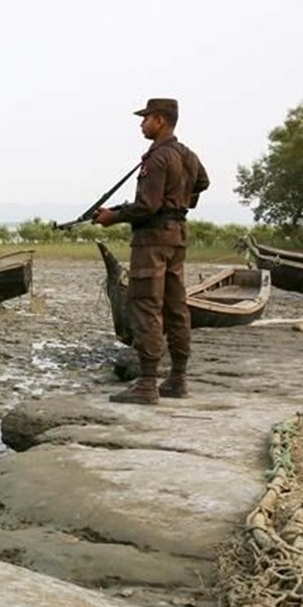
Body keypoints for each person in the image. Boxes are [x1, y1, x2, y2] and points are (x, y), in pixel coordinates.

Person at [94, 98, 209, 404]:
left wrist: (113, 217)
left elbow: (147, 206)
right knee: (176, 307)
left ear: (160, 120)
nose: (141, 124)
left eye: (145, 118)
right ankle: (178, 380)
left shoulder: (157, 158)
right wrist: (180, 200)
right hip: (177, 237)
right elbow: (203, 182)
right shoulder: (188, 155)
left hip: (152, 240)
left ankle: (147, 383)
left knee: (145, 304)